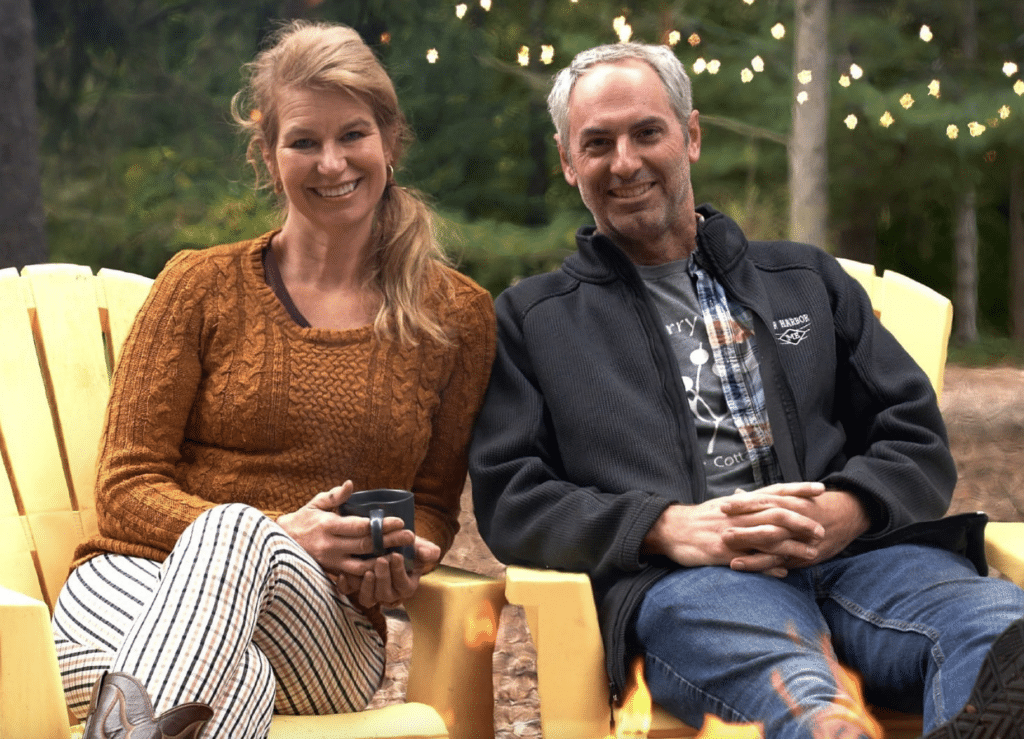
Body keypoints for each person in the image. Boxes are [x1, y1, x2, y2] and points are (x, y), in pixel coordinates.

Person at [469, 41, 1024, 739]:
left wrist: (847, 509)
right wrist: (666, 526)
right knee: (806, 701)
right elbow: (512, 497)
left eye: (648, 132)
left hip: (865, 563)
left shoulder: (805, 280)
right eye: (597, 143)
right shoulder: (534, 321)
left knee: (1001, 634)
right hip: (697, 588)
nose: (625, 162)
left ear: (691, 135)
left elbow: (913, 434)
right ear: (567, 161)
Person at [51, 20, 495, 739]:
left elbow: (436, 502)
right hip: (128, 585)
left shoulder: (455, 317)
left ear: (390, 140)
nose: (331, 163)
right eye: (303, 141)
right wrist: (277, 533)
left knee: (237, 536)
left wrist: (408, 558)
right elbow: (125, 488)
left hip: (321, 630)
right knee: (239, 678)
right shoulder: (199, 285)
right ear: (268, 152)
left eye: (352, 135)